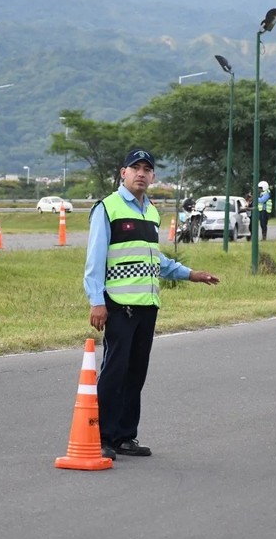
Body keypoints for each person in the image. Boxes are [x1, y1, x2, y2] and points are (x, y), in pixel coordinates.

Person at [84, 148, 219, 460]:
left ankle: (124, 436)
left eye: (147, 169)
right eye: (135, 168)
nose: (141, 173)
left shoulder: (152, 212)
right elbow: (94, 261)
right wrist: (96, 302)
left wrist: (190, 274)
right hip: (118, 304)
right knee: (114, 372)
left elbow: (153, 258)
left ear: (154, 176)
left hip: (147, 304)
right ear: (123, 173)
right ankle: (101, 436)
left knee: (136, 373)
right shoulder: (108, 208)